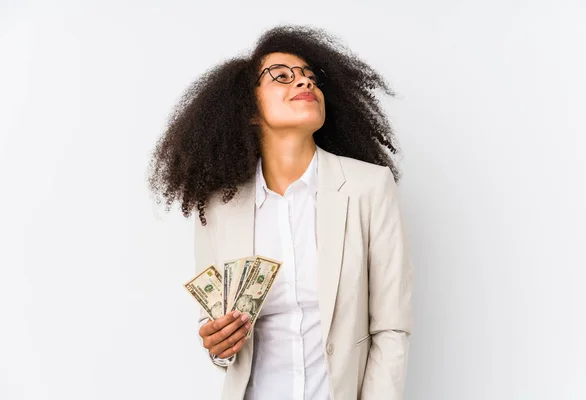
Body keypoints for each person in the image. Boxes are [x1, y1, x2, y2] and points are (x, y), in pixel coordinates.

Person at [148, 25, 414, 400]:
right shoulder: (218, 205)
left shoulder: (368, 188)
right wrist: (219, 346)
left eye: (310, 77)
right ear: (250, 109)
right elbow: (218, 332)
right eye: (282, 76)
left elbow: (391, 327)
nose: (304, 83)